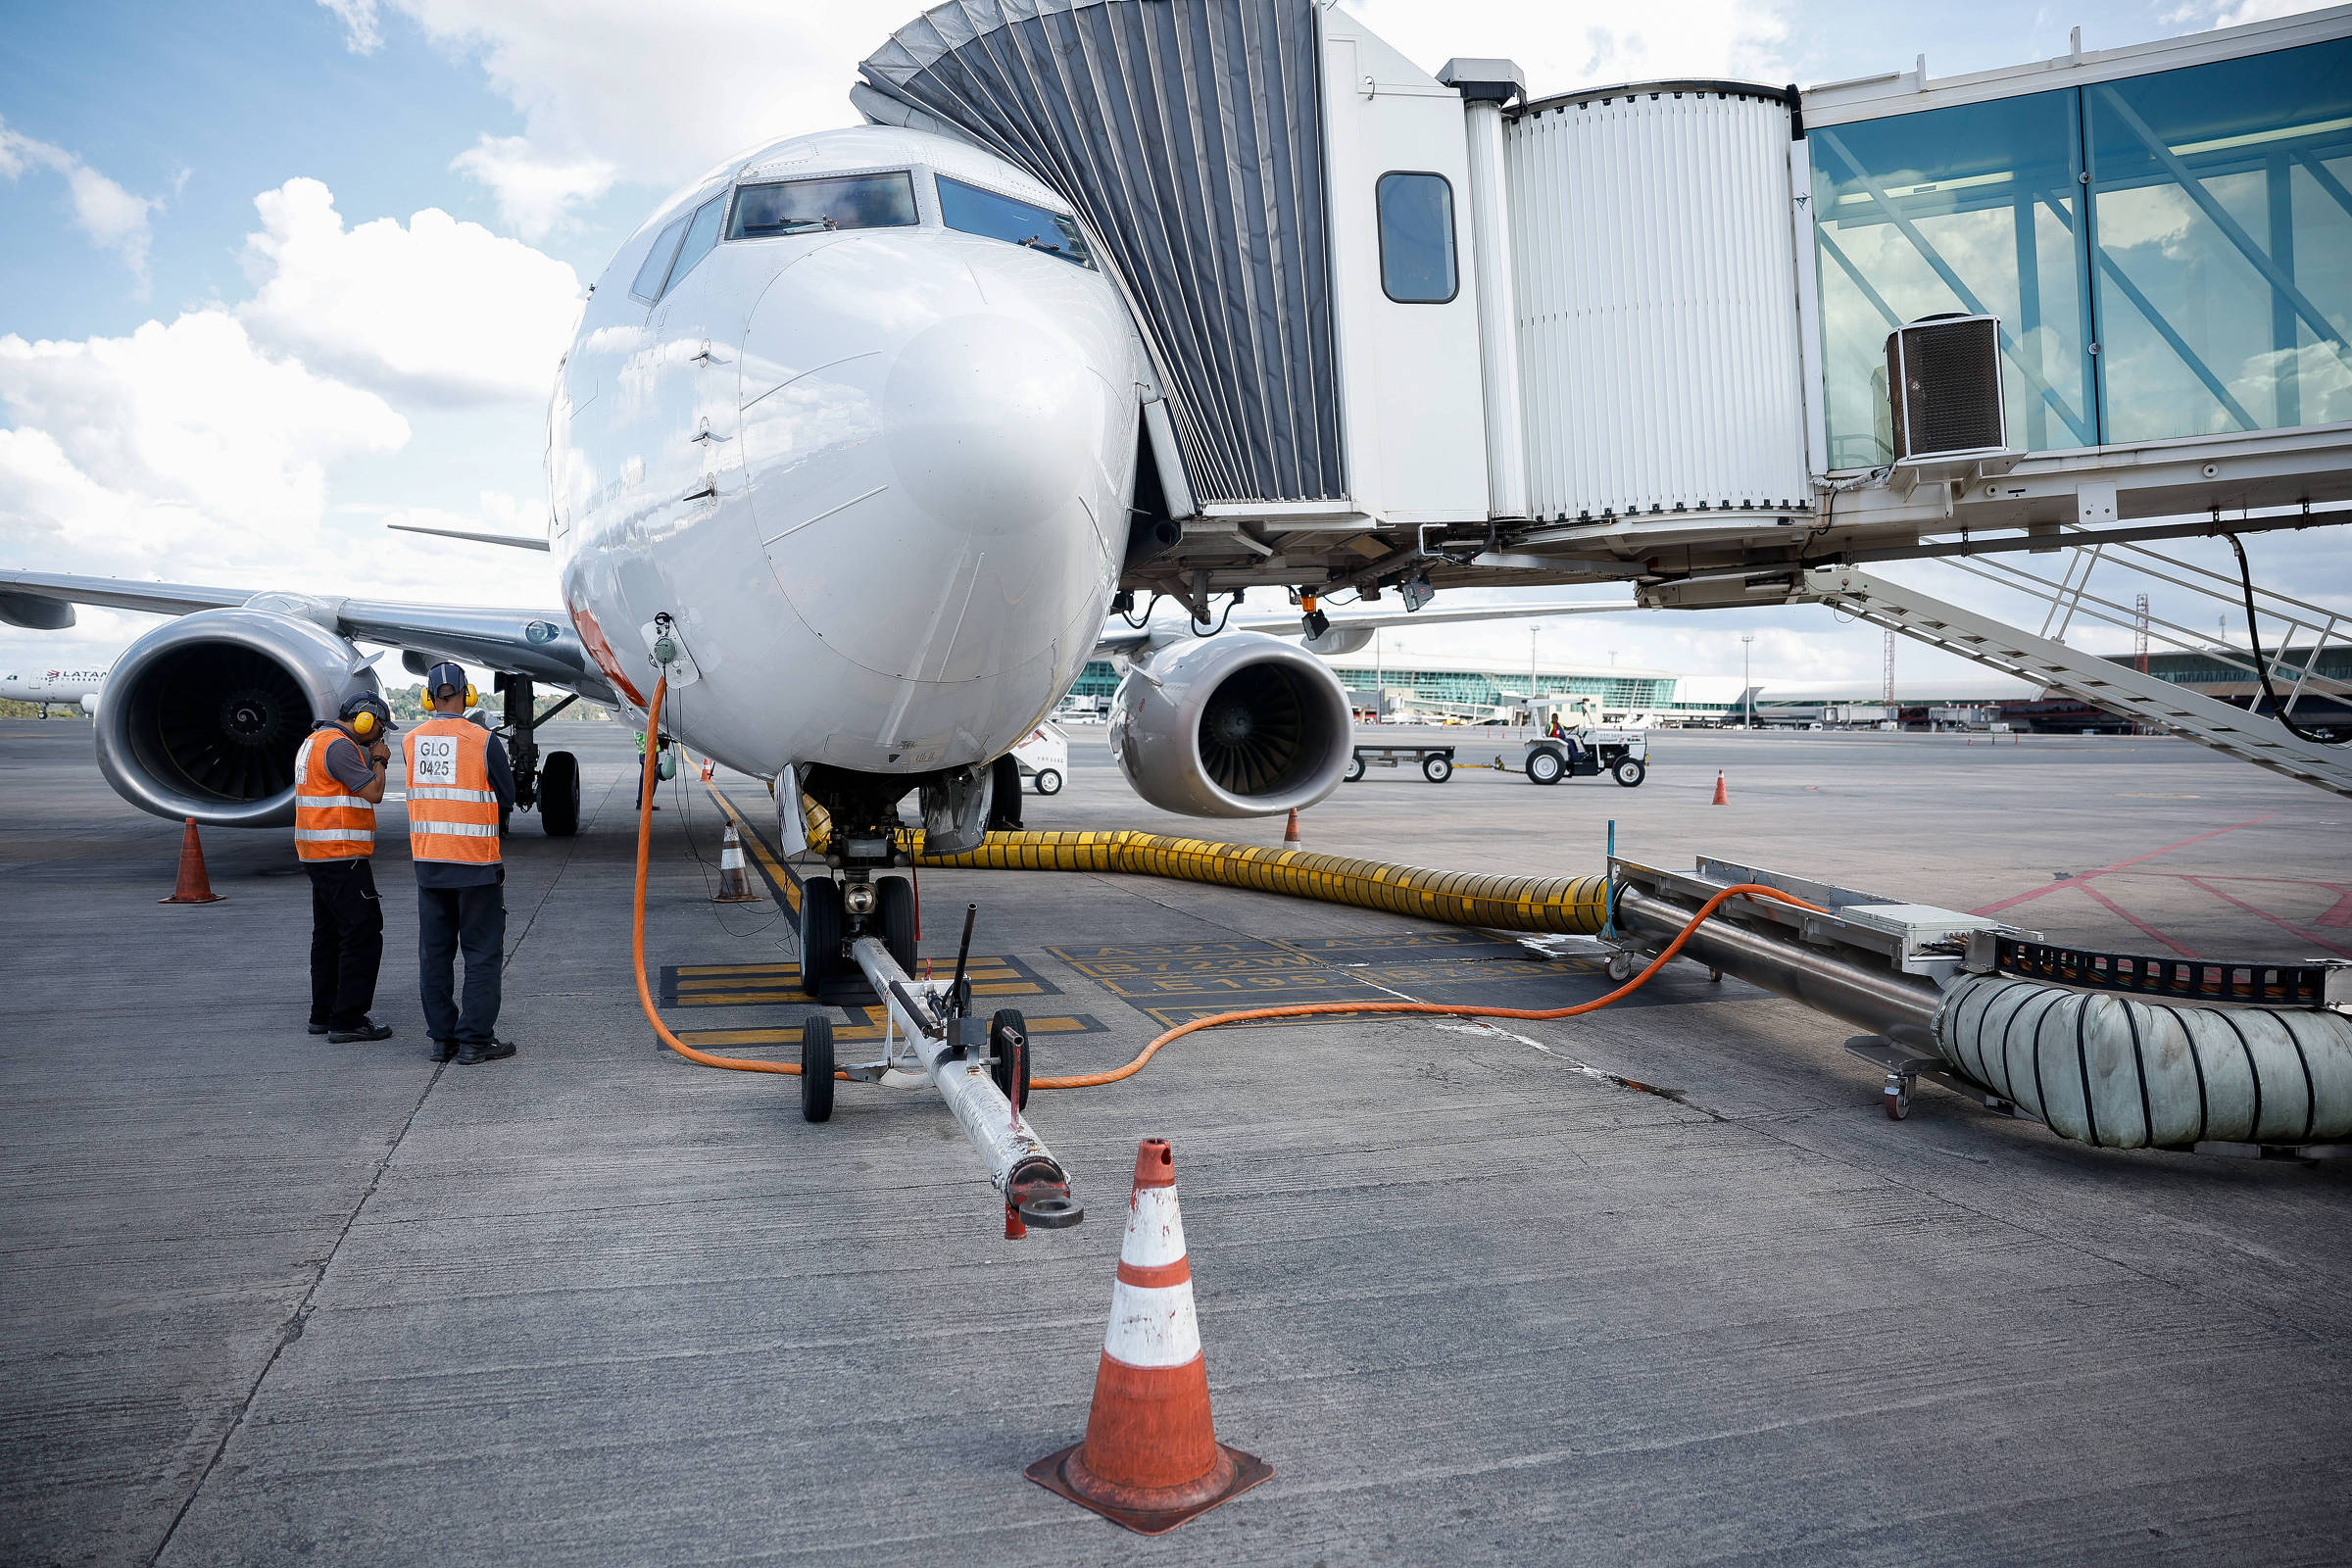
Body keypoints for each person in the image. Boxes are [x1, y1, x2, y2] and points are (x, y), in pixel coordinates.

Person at [404, 662, 517, 1064]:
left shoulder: (412, 741)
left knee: (434, 955)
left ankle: (442, 1039)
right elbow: (507, 796)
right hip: (475, 865)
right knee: (481, 954)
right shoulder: (482, 740)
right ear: (468, 695)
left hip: (429, 863)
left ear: (428, 697)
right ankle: (474, 1040)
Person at [297, 693, 395, 1042]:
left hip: (318, 853)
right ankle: (349, 1018)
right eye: (379, 728)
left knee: (328, 935)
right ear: (365, 719)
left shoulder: (314, 741)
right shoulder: (340, 746)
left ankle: (322, 1013)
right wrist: (379, 761)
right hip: (342, 855)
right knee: (363, 932)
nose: (380, 738)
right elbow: (373, 793)